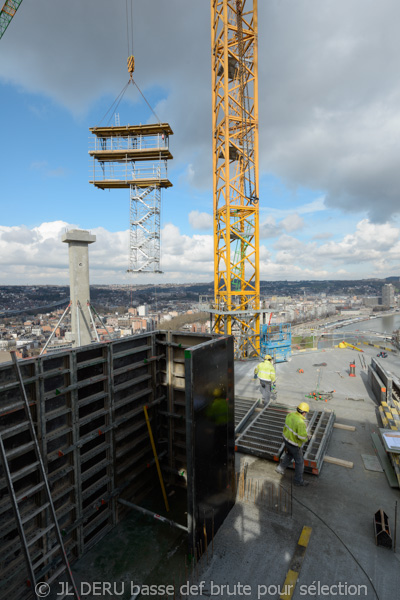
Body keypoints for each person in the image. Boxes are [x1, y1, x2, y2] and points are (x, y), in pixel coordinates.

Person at [275, 402, 310, 487]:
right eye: (306, 413)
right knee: (299, 462)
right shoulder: (301, 422)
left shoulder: (290, 415)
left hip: (286, 440)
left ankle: (280, 468)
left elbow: (286, 427)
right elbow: (302, 437)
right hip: (294, 444)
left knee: (290, 454)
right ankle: (298, 481)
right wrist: (307, 438)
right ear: (304, 412)